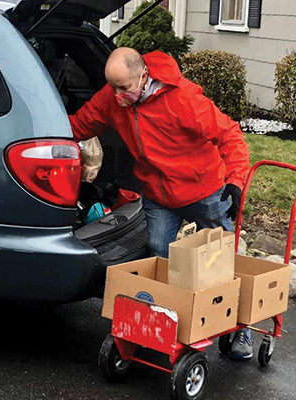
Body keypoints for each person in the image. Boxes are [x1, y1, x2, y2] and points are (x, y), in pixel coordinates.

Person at [69, 47, 252, 359]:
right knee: (159, 258)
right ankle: (163, 323)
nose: (117, 96)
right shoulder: (113, 96)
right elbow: (82, 124)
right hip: (157, 194)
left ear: (143, 76)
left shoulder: (183, 99)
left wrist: (235, 181)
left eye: (124, 88)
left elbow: (230, 135)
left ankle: (240, 331)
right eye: (112, 88)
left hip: (204, 189)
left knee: (220, 262)